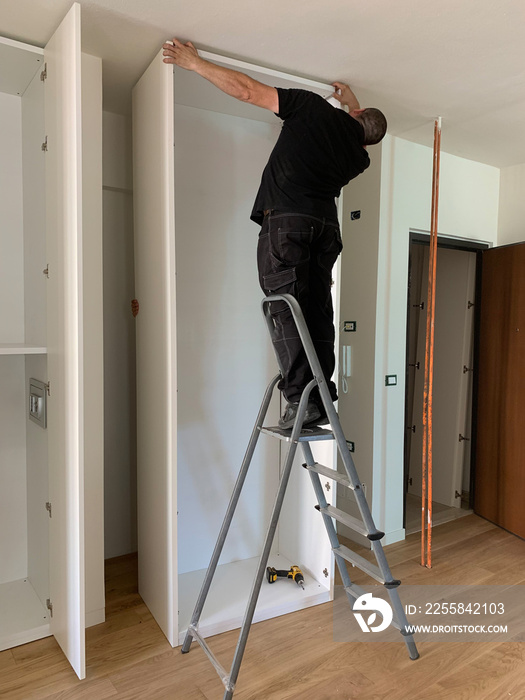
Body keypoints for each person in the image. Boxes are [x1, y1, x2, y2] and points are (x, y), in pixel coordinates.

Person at [163, 39, 387, 429]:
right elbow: (356, 128)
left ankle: (302, 399)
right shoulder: (359, 157)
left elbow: (248, 91)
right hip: (325, 229)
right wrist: (354, 102)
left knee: (285, 306)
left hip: (288, 224)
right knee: (316, 310)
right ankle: (319, 395)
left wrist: (194, 63)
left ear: (355, 112)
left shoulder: (313, 109)